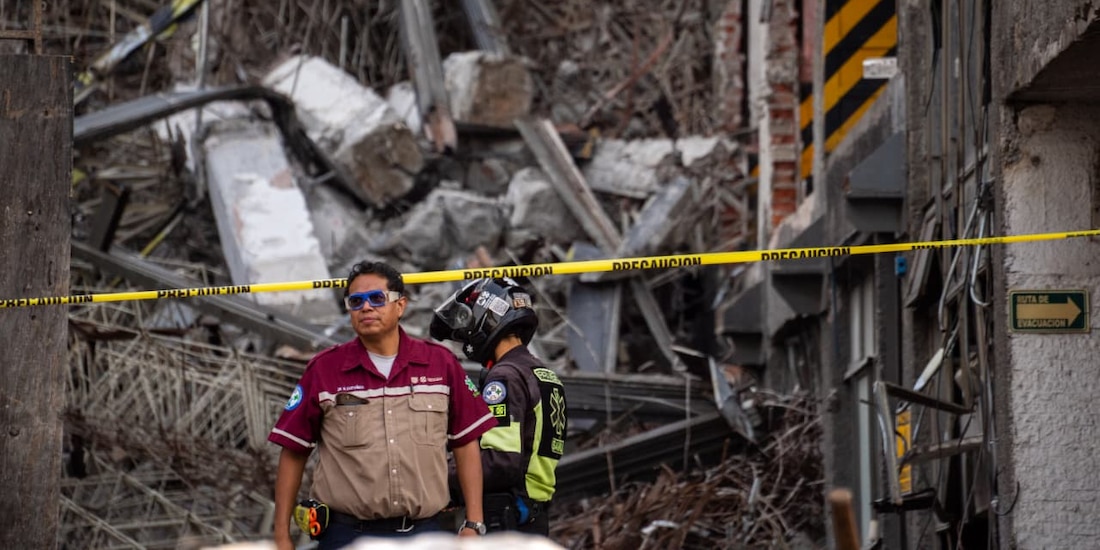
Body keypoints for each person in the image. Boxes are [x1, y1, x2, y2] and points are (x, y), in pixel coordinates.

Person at [269, 261, 497, 550]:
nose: (366, 308)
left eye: (377, 298)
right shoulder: (324, 370)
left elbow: (465, 444)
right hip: (346, 536)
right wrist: (281, 536)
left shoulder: (441, 364)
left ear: (400, 305)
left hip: (424, 534)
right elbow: (294, 451)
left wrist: (474, 523)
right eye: (356, 302)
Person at [430, 277, 568, 536]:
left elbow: (500, 461)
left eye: (467, 325)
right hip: (533, 513)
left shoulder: (505, 376)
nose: (464, 336)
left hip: (507, 516)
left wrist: (438, 479)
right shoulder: (543, 373)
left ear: (486, 317)